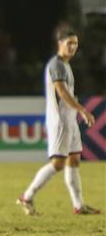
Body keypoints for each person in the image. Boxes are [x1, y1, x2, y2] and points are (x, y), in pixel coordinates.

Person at [16, 26, 100, 215]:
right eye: (69, 43)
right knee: (58, 164)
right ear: (60, 43)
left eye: (75, 44)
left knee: (74, 161)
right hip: (60, 121)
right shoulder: (56, 65)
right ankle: (27, 197)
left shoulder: (66, 64)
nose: (73, 47)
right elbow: (61, 92)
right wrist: (83, 110)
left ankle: (78, 206)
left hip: (69, 120)